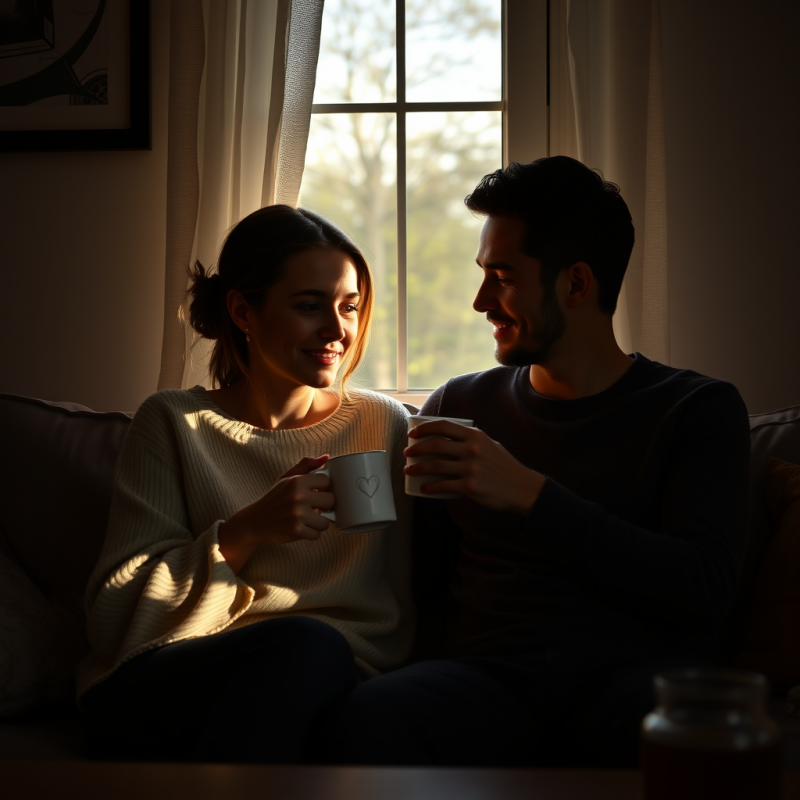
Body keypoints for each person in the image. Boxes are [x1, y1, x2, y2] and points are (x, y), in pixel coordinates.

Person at [320, 156, 751, 768]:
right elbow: (421, 579)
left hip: (632, 676)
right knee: (369, 717)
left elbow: (704, 589)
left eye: (503, 277)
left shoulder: (696, 408)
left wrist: (529, 495)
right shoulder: (461, 404)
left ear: (576, 284)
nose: (479, 301)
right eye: (483, 275)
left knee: (673, 734)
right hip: (482, 677)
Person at [77, 205, 415, 763]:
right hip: (176, 675)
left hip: (336, 677)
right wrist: (244, 532)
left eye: (349, 307)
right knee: (305, 645)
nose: (337, 331)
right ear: (243, 311)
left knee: (315, 653)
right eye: (310, 306)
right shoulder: (173, 422)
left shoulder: (382, 425)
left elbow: (408, 594)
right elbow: (114, 616)